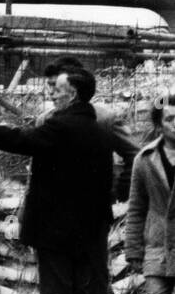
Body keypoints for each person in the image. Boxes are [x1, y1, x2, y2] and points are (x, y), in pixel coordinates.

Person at [0, 68, 116, 294]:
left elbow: (17, 140)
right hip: (91, 231)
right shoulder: (101, 133)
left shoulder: (60, 127)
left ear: (72, 94)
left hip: (56, 231)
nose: (51, 95)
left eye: (56, 90)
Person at [43, 55, 138, 199]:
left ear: (75, 86)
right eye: (49, 85)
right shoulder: (45, 120)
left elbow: (135, 154)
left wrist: (119, 191)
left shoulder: (104, 119)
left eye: (56, 85)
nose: (51, 92)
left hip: (91, 205)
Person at [125, 92, 175, 294]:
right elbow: (136, 208)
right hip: (157, 248)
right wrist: (133, 249)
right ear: (159, 124)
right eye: (170, 119)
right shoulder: (144, 160)